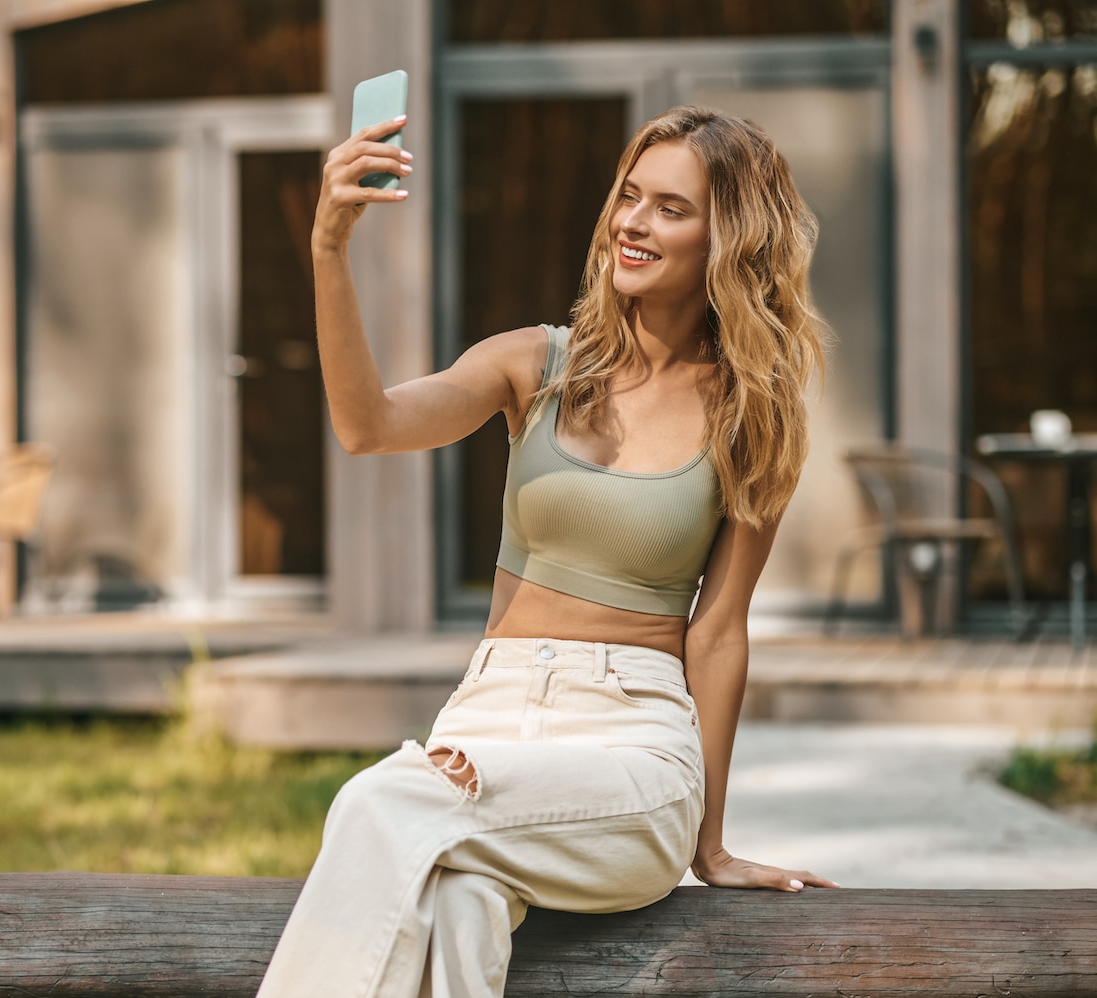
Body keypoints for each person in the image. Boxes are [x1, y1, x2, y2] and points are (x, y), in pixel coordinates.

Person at [257, 105, 838, 998]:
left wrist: (709, 845)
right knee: (458, 909)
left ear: (730, 238)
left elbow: (718, 634)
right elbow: (367, 426)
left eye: (670, 209)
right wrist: (329, 250)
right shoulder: (535, 364)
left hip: (633, 745)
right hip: (486, 716)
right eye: (629, 197)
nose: (633, 223)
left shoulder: (750, 409)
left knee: (379, 800)